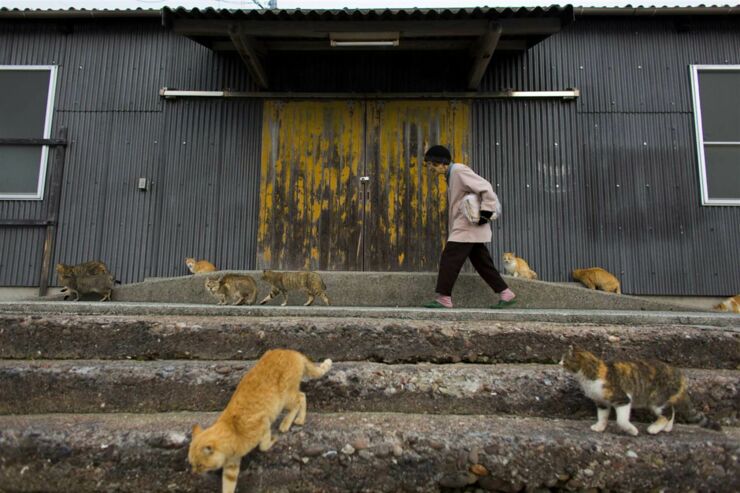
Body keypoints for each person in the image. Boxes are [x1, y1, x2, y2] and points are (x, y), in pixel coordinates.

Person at [421, 145, 516, 309]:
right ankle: (506, 293)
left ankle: (444, 298)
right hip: (469, 227)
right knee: (482, 262)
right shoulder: (451, 175)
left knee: (449, 259)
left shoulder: (458, 170)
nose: (430, 169)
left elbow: (485, 187)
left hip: (467, 227)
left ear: (441, 163)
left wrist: (486, 213)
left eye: (431, 165)